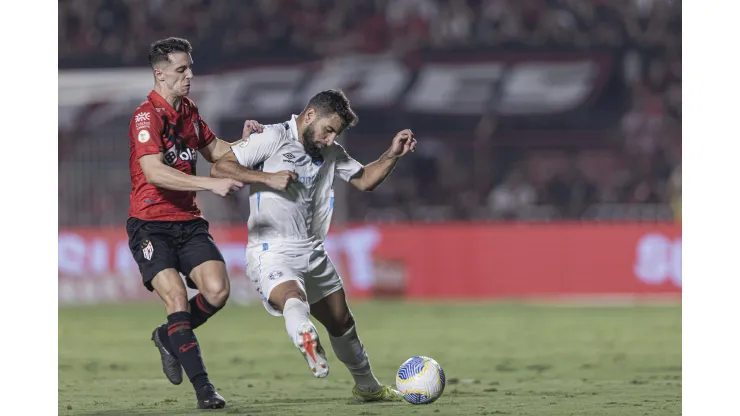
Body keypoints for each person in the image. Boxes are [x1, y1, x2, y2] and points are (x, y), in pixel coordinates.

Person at [210, 89, 417, 402]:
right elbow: (219, 168)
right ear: (309, 116)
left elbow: (365, 180)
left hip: (314, 252)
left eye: (337, 133)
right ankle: (305, 336)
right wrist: (266, 178)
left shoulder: (330, 151)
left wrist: (392, 155)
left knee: (342, 321)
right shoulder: (272, 137)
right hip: (271, 249)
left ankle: (368, 387)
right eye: (329, 129)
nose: (331, 138)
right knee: (292, 297)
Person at [126, 37, 264, 409]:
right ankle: (205, 390)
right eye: (181, 70)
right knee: (176, 298)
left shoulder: (188, 111)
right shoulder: (146, 116)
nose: (190, 76)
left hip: (188, 222)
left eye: (190, 68)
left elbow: (216, 149)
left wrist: (246, 144)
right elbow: (154, 171)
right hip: (150, 224)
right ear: (160, 74)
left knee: (218, 291)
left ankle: (167, 337)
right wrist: (209, 182)